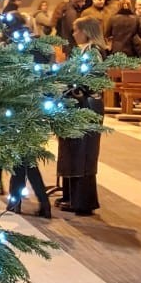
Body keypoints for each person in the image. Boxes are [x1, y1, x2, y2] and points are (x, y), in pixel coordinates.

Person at [57, 81, 104, 215]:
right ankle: (71, 197)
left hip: (86, 106)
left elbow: (86, 82)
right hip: (79, 105)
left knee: (82, 158)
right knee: (72, 155)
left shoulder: (89, 61)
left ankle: (82, 202)